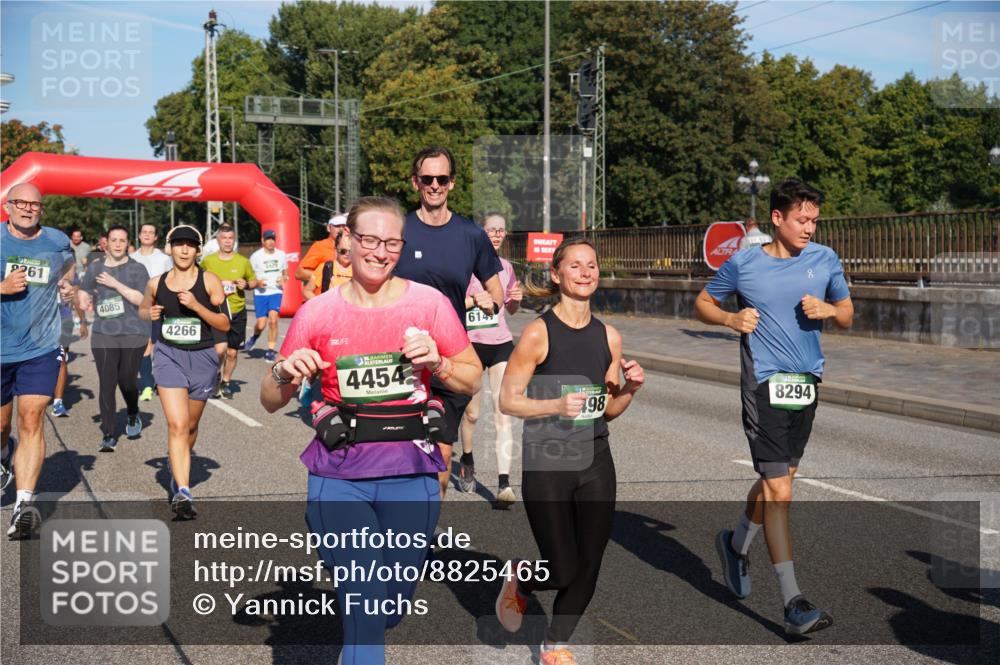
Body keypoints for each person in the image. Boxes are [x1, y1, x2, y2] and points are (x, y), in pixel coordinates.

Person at [260, 197, 482, 665]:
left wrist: (437, 362)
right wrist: (284, 375)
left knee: (392, 603)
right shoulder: (317, 312)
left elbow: (472, 376)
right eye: (368, 240)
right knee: (364, 594)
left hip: (410, 469)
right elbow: (269, 398)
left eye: (391, 243)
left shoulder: (429, 304)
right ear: (347, 241)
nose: (379, 252)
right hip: (339, 470)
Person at [694, 178, 853, 635]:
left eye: (815, 221)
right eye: (802, 219)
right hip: (764, 384)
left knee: (776, 484)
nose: (809, 228)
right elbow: (702, 302)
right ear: (777, 219)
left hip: (806, 384)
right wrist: (729, 318)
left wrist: (828, 310)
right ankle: (793, 602)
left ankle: (736, 544)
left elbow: (847, 312)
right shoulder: (744, 264)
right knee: (780, 492)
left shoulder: (824, 259)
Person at [495, 238, 644, 665]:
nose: (585, 272)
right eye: (575, 265)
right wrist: (555, 406)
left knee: (590, 564)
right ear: (557, 274)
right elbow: (508, 400)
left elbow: (609, 410)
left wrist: (630, 389)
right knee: (561, 569)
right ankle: (522, 579)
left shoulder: (609, 337)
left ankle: (554, 645)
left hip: (595, 457)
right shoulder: (539, 334)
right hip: (548, 460)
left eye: (592, 265)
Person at [393, 146, 505, 499]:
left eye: (442, 178)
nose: (435, 185)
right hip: (398, 360)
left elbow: (497, 293)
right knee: (398, 457)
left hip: (448, 361)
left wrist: (489, 300)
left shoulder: (471, 235)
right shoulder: (399, 230)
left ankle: (423, 541)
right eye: (427, 179)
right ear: (415, 183)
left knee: (440, 457)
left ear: (452, 183)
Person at [1, 183, 77, 539]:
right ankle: (4, 452)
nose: (28, 209)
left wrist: (67, 285)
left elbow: (69, 266)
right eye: (21, 203)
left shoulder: (57, 241)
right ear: (8, 205)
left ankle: (23, 504)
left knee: (31, 417)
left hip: (40, 346)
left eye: (35, 204)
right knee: (2, 426)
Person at [139, 225, 229, 518]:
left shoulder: (210, 280)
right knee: (177, 425)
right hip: (168, 356)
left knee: (190, 426)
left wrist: (196, 306)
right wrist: (149, 314)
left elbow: (224, 324)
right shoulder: (156, 283)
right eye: (179, 244)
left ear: (198, 249)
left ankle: (177, 462)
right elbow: (142, 310)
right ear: (170, 248)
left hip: (203, 358)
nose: (184, 249)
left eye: (190, 244)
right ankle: (183, 491)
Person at [458, 212, 523, 500]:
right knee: (472, 414)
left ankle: (504, 484)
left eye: (501, 231)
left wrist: (516, 302)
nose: (497, 235)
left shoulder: (506, 267)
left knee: (502, 412)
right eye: (491, 230)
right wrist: (474, 300)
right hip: (470, 343)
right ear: (480, 234)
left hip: (500, 343)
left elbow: (509, 309)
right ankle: (468, 460)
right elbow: (448, 303)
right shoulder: (463, 265)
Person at [78, 225, 151, 451]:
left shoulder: (138, 269)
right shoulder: (95, 268)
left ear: (128, 244)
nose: (118, 244)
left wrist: (115, 283)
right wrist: (83, 300)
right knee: (107, 383)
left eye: (122, 240)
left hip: (133, 332)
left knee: (127, 381)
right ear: (106, 243)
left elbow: (141, 300)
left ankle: (132, 412)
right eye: (113, 240)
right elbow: (84, 290)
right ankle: (108, 434)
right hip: (104, 333)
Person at [200, 225, 256, 399]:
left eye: (230, 238)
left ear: (234, 240)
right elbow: (198, 279)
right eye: (224, 238)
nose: (227, 241)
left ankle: (225, 381)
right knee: (218, 350)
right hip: (216, 311)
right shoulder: (208, 261)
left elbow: (254, 282)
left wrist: (245, 285)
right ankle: (214, 375)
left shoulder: (243, 262)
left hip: (237, 309)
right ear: (218, 241)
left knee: (232, 352)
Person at [131, 222, 173, 402]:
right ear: (139, 236)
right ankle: (148, 384)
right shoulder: (131, 258)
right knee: (145, 345)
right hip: (138, 309)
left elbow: (171, 281)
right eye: (144, 232)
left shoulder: (163, 259)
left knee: (159, 347)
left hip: (159, 308)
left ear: (156, 237)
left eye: (151, 232)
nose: (147, 235)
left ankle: (158, 379)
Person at [246, 229, 288, 362]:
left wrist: (284, 278)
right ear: (263, 241)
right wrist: (257, 282)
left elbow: (285, 273)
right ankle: (254, 337)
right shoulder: (256, 256)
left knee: (273, 320)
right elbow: (248, 275)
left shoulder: (281, 255)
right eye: (268, 239)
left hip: (276, 291)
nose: (271, 242)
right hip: (260, 293)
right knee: (261, 324)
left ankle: (270, 351)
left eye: (273, 239)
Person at [50, 282, 88, 418]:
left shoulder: (68, 267)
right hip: (38, 320)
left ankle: (58, 402)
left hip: (63, 320)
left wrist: (82, 321)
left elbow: (76, 296)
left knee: (61, 358)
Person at [295, 213, 347, 286]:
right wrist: (325, 276)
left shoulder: (353, 247)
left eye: (344, 226)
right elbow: (300, 273)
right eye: (337, 226)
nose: (341, 229)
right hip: (325, 295)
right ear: (329, 228)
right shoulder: (320, 246)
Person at [302, 227, 352, 300]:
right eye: (343, 251)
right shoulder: (326, 267)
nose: (347, 254)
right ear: (336, 249)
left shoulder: (358, 270)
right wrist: (320, 304)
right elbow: (307, 291)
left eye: (351, 251)